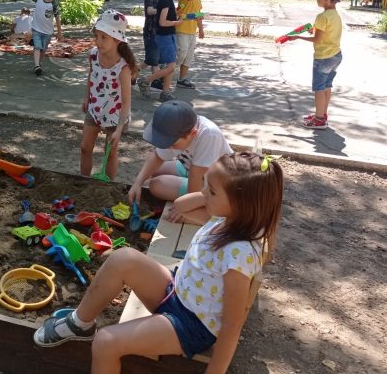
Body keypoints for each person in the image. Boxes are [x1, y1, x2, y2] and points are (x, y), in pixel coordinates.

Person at [33, 152, 284, 374]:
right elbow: (181, 205)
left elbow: (232, 325)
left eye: (213, 191)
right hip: (176, 291)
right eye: (206, 184)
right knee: (123, 257)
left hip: (192, 326)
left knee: (106, 342)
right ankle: (80, 324)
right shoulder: (224, 218)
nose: (204, 192)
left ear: (240, 205)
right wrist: (210, 191)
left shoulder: (239, 253)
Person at [128, 100, 232, 204]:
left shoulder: (209, 135)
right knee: (153, 170)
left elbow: (195, 175)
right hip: (191, 167)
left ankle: (204, 201)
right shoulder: (178, 127)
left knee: (156, 185)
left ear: (193, 133)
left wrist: (187, 205)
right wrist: (138, 183)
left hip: (216, 182)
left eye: (173, 144)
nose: (169, 148)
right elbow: (157, 156)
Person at [81, 10, 136, 181]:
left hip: (116, 116)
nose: (98, 41)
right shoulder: (93, 55)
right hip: (94, 108)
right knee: (85, 148)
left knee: (110, 153)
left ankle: (109, 187)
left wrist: (119, 129)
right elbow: (91, 75)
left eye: (104, 37)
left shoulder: (123, 67)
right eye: (96, 36)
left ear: (117, 40)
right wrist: (86, 97)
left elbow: (126, 102)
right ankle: (83, 182)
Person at [136, 0, 197, 101]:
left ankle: (165, 92)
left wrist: (177, 15)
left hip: (168, 36)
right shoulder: (165, 0)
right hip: (165, 37)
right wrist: (177, 22)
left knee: (170, 66)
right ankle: (146, 80)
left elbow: (166, 16)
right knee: (170, 67)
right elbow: (162, 22)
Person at [290, 0, 344, 129]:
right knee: (327, 86)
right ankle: (322, 114)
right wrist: (315, 29)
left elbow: (317, 39)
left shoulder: (322, 16)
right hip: (336, 56)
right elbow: (327, 32)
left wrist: (297, 37)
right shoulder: (336, 15)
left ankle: (319, 120)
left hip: (323, 58)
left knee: (319, 88)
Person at [174, 0, 205, 89]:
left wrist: (201, 29)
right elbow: (183, 8)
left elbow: (197, 13)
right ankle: (165, 71)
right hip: (182, 29)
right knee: (181, 54)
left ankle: (182, 79)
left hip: (192, 31)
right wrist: (181, 9)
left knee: (188, 57)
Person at [31, 0, 63, 76]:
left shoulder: (54, 4)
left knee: (43, 49)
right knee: (37, 47)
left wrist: (59, 33)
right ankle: (36, 66)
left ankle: (39, 64)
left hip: (47, 32)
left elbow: (57, 18)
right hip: (36, 29)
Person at [139, 0, 162, 83]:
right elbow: (149, 10)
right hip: (150, 32)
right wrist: (161, 10)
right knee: (152, 60)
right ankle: (156, 80)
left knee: (153, 59)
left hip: (158, 32)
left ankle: (133, 71)